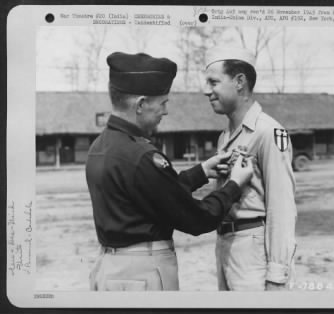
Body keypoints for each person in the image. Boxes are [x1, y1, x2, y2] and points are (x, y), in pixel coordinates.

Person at [85, 52, 254, 291]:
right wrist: (234, 185)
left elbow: (153, 193)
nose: (165, 112)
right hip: (142, 273)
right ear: (141, 104)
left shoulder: (100, 147)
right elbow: (197, 219)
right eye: (162, 103)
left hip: (110, 269)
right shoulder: (142, 155)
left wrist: (202, 171)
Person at [203, 47, 297, 291]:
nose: (206, 91)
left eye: (213, 82)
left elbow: (282, 208)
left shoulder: (269, 132)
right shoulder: (225, 137)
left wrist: (277, 273)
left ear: (239, 82)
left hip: (253, 250)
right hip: (225, 243)